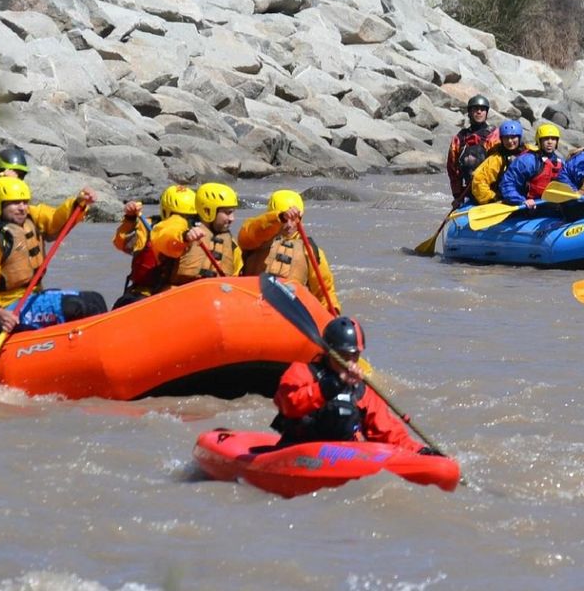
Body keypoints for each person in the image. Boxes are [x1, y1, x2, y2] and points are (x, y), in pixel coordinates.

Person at [0, 177, 104, 334]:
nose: (22, 207)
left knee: (95, 300)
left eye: (24, 201)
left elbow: (55, 218)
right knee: (75, 307)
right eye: (14, 203)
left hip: (32, 296)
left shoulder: (31, 216)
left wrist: (78, 203)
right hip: (2, 309)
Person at [271, 315, 428, 451]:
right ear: (329, 352)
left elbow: (388, 431)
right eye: (344, 354)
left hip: (344, 455)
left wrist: (420, 451)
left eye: (355, 355)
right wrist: (335, 384)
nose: (350, 361)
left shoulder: (361, 389)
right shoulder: (303, 371)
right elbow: (287, 404)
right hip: (298, 449)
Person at [239, 189, 340, 313]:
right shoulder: (255, 237)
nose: (289, 225)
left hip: (290, 315)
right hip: (254, 309)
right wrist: (278, 218)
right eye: (285, 220)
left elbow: (324, 291)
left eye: (294, 219)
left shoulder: (310, 250)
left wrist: (333, 313)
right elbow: (251, 231)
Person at [111, 185, 196, 307]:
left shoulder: (201, 231)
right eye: (178, 216)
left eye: (189, 217)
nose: (183, 221)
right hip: (145, 293)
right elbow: (121, 243)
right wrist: (130, 219)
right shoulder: (148, 226)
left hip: (179, 294)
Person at [151, 182, 242, 284]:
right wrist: (185, 237)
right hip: (179, 293)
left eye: (233, 212)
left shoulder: (231, 243)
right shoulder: (183, 226)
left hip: (215, 294)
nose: (232, 219)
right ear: (208, 211)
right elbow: (162, 236)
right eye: (227, 213)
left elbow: (236, 276)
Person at [445, 94, 500, 206]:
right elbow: (453, 170)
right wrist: (457, 195)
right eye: (475, 109)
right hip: (470, 192)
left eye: (482, 109)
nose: (479, 112)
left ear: (486, 113)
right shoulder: (459, 139)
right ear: (469, 112)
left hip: (493, 191)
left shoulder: (494, 135)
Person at [498, 123, 564, 210]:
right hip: (528, 208)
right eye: (546, 139)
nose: (550, 142)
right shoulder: (527, 161)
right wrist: (522, 201)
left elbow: (569, 184)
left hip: (551, 207)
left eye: (553, 139)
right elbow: (507, 183)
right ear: (539, 141)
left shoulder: (561, 163)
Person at [470, 120, 528, 205]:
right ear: (501, 139)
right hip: (502, 198)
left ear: (519, 138)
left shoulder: (529, 154)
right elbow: (478, 180)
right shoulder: (496, 159)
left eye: (513, 137)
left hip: (525, 196)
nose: (510, 141)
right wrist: (493, 198)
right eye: (506, 138)